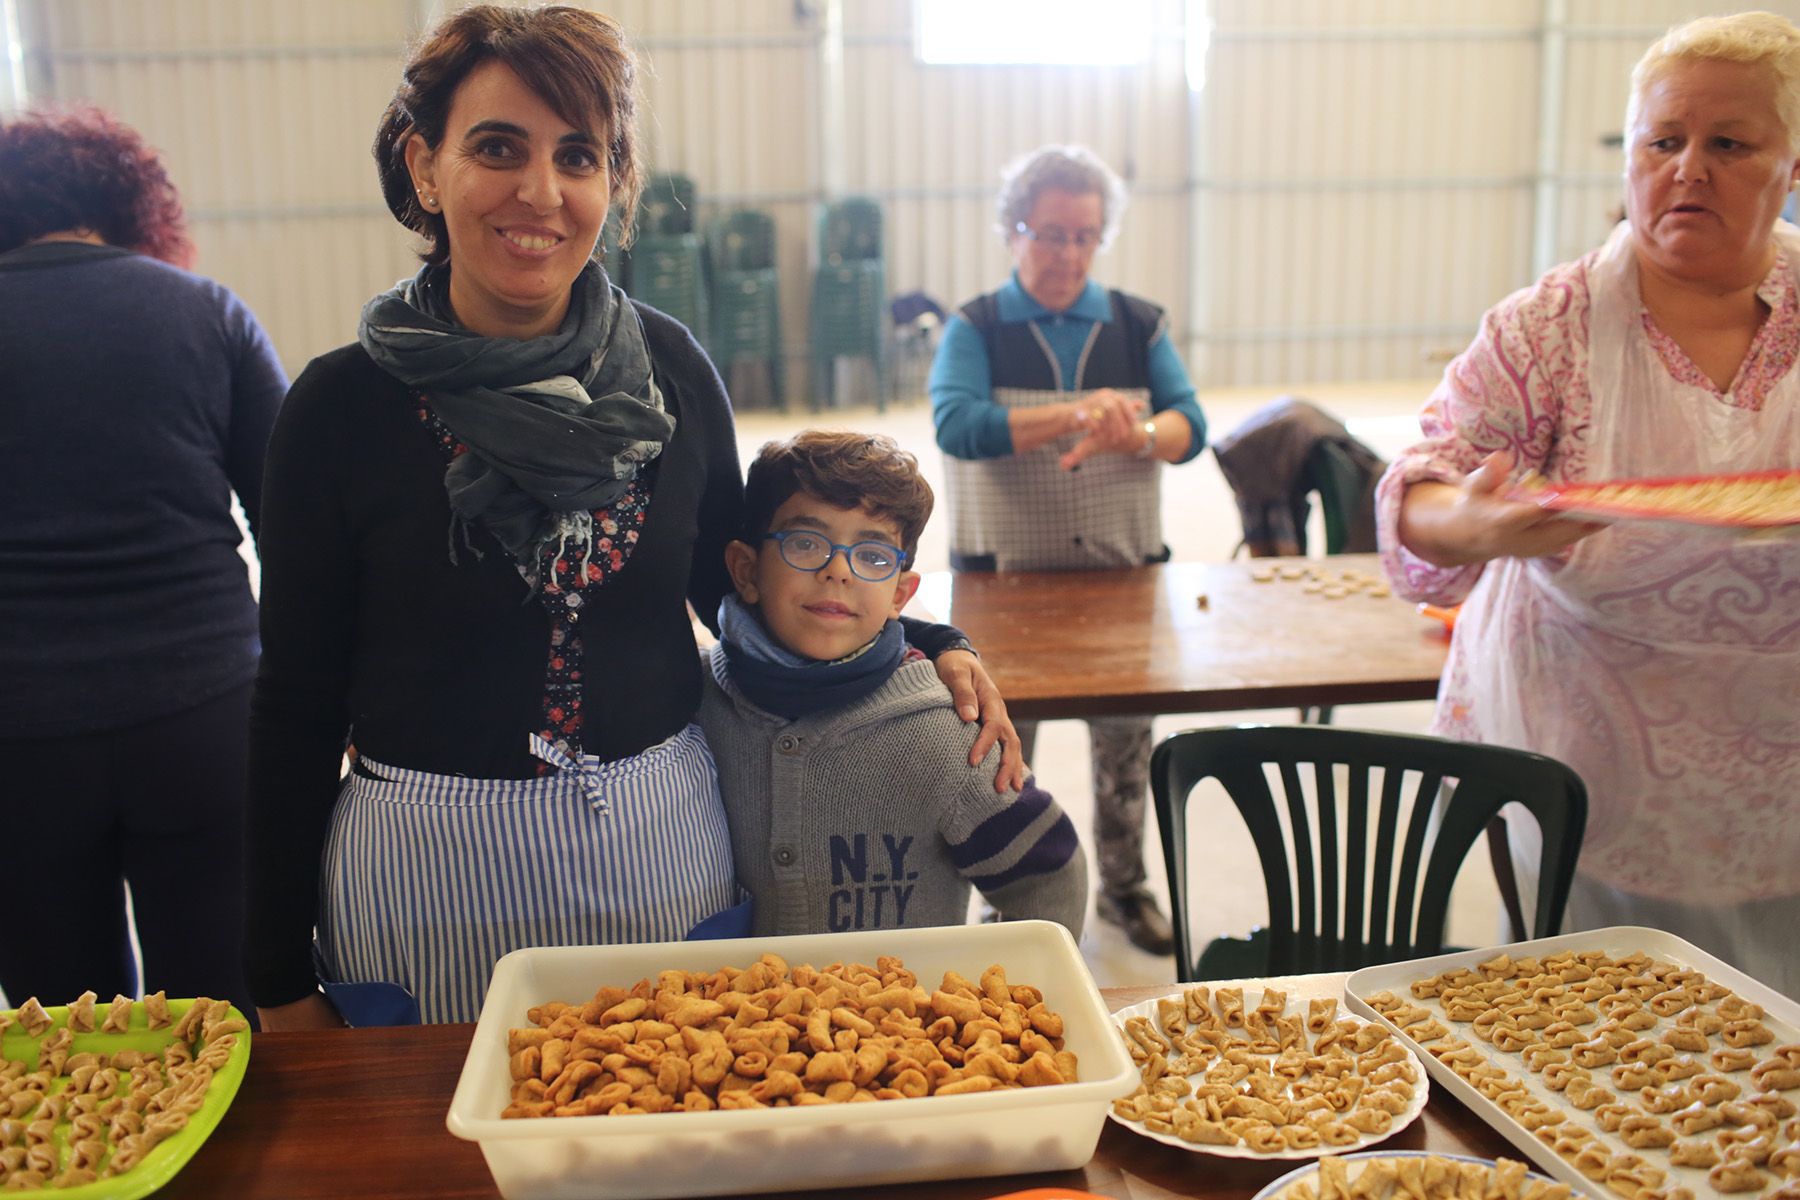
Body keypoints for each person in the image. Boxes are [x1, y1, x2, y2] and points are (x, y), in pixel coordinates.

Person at [245, 5, 1020, 1029]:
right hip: (425, 876)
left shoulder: (671, 373)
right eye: (498, 148)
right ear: (424, 168)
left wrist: (927, 641)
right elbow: (294, 701)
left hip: (656, 856)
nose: (541, 192)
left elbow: (745, 586)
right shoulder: (339, 408)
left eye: (579, 155)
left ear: (614, 183)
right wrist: (276, 978)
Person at [1379, 11, 1800, 995]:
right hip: (1589, 765)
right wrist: (1476, 525)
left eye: (1729, 144)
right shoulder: (1550, 330)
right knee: (1599, 1029)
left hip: (1781, 778)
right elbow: (1421, 486)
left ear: (1792, 166)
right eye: (1663, 142)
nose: (1689, 170)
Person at [0, 106, 287, 1016]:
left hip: (20, 737)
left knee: (61, 1025)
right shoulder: (206, 312)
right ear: (135, 206)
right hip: (203, 716)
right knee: (219, 1007)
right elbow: (290, 524)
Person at [929, 144, 1208, 956]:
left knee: (1126, 746)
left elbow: (1189, 427)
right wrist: (1079, 414)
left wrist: (1139, 432)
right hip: (1007, 583)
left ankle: (1124, 887)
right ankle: (1011, 900)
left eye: (1085, 236)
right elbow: (957, 424)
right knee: (1003, 749)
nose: (1068, 254)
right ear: (1013, 230)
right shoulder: (977, 327)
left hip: (1122, 578)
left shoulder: (1138, 324)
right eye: (1050, 234)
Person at [699, 431, 1089, 937]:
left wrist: (1009, 980)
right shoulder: (696, 703)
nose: (838, 570)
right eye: (805, 543)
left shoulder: (946, 736)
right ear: (746, 571)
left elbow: (1051, 877)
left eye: (874, 556)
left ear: (900, 595)